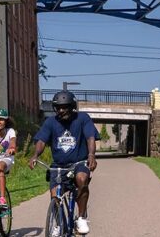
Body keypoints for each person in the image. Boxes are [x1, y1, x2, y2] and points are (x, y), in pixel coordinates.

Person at [28, 90, 97, 235]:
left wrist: (91, 155)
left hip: (79, 162)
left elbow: (90, 137)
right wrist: (35, 155)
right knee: (55, 195)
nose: (61, 110)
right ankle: (57, 222)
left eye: (64, 107)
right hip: (58, 166)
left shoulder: (83, 118)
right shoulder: (51, 122)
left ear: (72, 106)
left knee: (81, 179)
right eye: (58, 107)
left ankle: (82, 217)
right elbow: (41, 141)